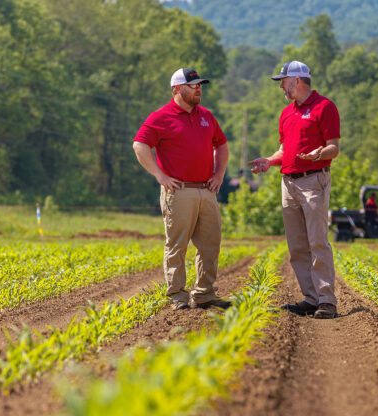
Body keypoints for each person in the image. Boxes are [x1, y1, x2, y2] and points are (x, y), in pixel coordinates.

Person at [133, 67, 231, 311]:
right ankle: (177, 295)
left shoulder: (206, 115)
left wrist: (219, 174)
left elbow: (222, 145)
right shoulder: (161, 116)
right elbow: (140, 145)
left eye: (200, 84)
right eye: (193, 84)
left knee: (210, 244)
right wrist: (159, 175)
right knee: (177, 245)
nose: (198, 88)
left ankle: (204, 294)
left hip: (207, 190)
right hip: (179, 191)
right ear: (177, 89)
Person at [248, 60, 340, 319]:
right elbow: (283, 150)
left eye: (283, 82)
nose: (281, 87)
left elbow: (334, 147)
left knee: (317, 241)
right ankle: (311, 298)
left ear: (297, 81)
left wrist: (319, 153)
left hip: (314, 181)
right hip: (288, 182)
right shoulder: (287, 113)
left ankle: (326, 300)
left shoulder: (325, 107)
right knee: (297, 246)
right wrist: (269, 161)